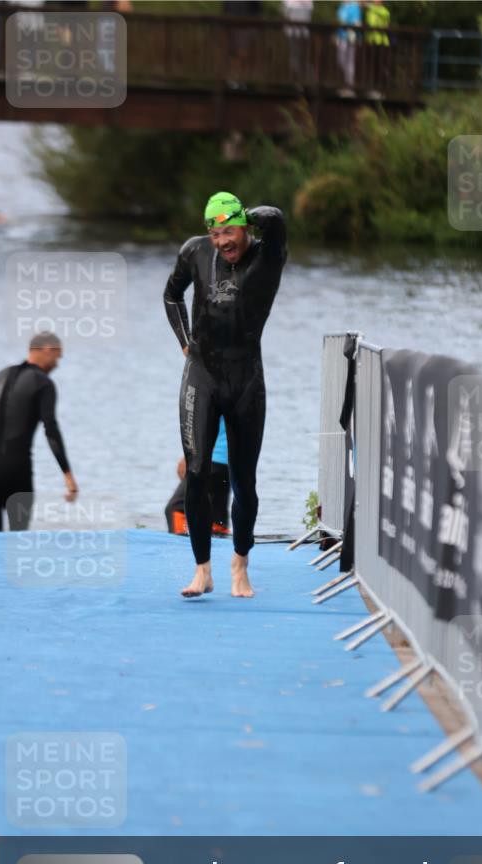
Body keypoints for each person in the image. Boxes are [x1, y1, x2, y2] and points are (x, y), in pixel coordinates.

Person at [163, 191, 286, 598]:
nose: (222, 242)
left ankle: (240, 565)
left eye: (228, 231)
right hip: (202, 376)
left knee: (244, 479)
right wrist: (185, 342)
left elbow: (276, 218)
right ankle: (202, 570)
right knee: (196, 473)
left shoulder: (269, 256)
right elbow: (171, 294)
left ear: (244, 227)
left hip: (246, 380)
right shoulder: (195, 252)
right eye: (215, 234)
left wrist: (242, 212)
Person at [0, 332, 78, 532]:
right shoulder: (43, 384)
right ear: (47, 350)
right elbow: (51, 430)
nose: (56, 364)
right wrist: (67, 474)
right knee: (17, 538)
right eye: (57, 358)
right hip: (16, 468)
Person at [165, 417, 231, 537]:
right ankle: (220, 546)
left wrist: (192, 455)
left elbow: (204, 416)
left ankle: (181, 551)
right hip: (227, 461)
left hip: (211, 458)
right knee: (215, 519)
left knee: (176, 510)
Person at [336, 1, 362, 93]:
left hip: (351, 37)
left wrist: (355, 35)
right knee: (340, 60)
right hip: (341, 36)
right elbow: (339, 22)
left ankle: (349, 86)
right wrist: (337, 36)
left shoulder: (354, 6)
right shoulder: (341, 6)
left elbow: (357, 22)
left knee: (349, 61)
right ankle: (346, 83)